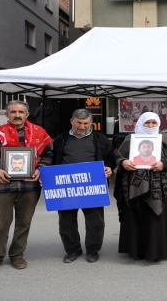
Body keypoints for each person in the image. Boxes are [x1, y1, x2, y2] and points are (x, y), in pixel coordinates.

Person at [0, 100, 52, 275]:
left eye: (20, 112)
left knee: (24, 222)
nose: (17, 115)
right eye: (13, 112)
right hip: (2, 185)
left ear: (27, 114)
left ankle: (17, 255)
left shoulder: (39, 132)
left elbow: (48, 154)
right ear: (6, 114)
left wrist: (42, 169)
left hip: (30, 186)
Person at [113, 112, 167, 261]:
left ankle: (158, 250)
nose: (150, 126)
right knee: (136, 216)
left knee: (158, 218)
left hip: (161, 187)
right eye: (147, 123)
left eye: (153, 123)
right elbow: (119, 157)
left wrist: (164, 164)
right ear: (140, 123)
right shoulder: (130, 139)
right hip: (134, 186)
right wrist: (123, 163)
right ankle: (136, 249)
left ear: (158, 124)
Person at [51, 109, 115, 264]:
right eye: (79, 122)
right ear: (72, 121)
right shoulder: (61, 139)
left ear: (90, 123)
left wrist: (109, 167)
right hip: (66, 187)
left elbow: (111, 158)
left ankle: (93, 250)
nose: (82, 126)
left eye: (86, 123)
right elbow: (52, 160)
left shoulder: (100, 139)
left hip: (93, 186)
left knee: (95, 221)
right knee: (66, 221)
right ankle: (72, 250)